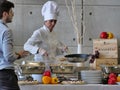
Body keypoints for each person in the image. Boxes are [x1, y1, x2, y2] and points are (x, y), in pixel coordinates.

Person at [24, 1, 68, 82]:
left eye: (55, 21)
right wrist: (38, 50)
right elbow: (26, 46)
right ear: (45, 21)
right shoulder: (39, 32)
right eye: (51, 21)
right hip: (40, 70)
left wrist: (62, 50)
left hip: (52, 69)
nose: (53, 23)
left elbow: (53, 51)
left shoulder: (54, 34)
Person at [0, 1, 29, 90]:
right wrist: (19, 54)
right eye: (11, 12)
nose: (13, 14)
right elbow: (8, 57)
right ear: (5, 14)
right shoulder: (6, 31)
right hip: (5, 75)